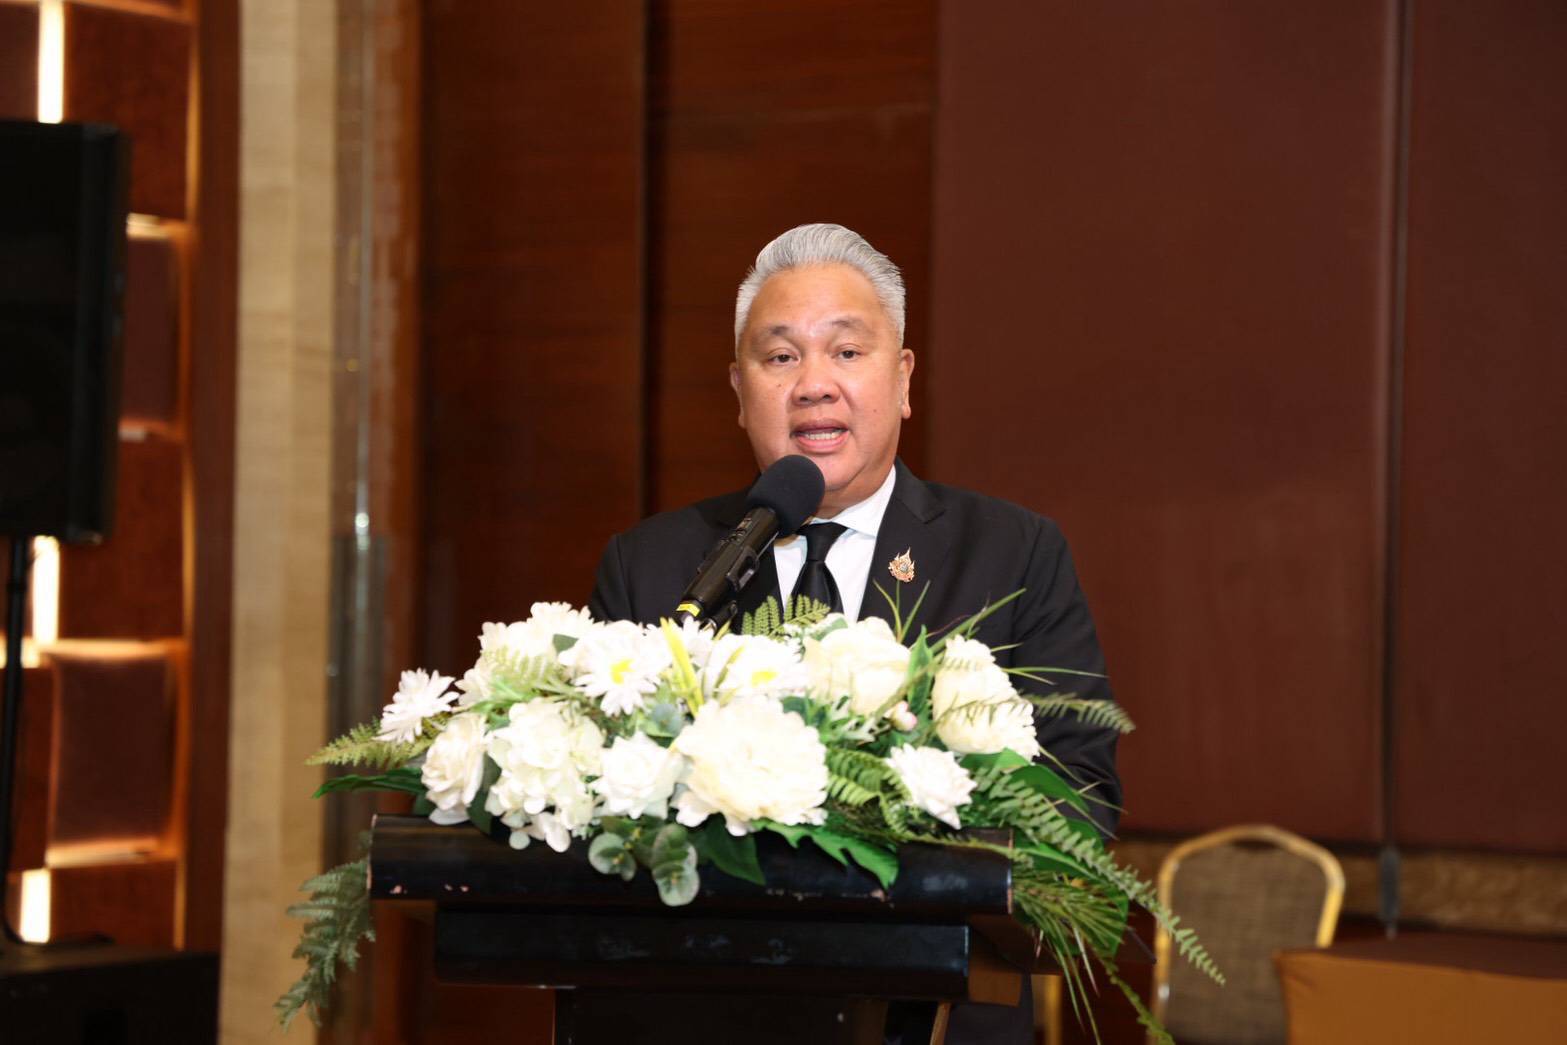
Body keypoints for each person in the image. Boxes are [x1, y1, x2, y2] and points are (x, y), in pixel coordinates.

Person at [589, 223, 1120, 1044]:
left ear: (902, 379)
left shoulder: (1010, 553)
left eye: (845, 351)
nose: (813, 385)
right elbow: (596, 801)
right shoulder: (655, 564)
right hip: (699, 1011)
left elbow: (1077, 798)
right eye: (779, 357)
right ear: (738, 391)